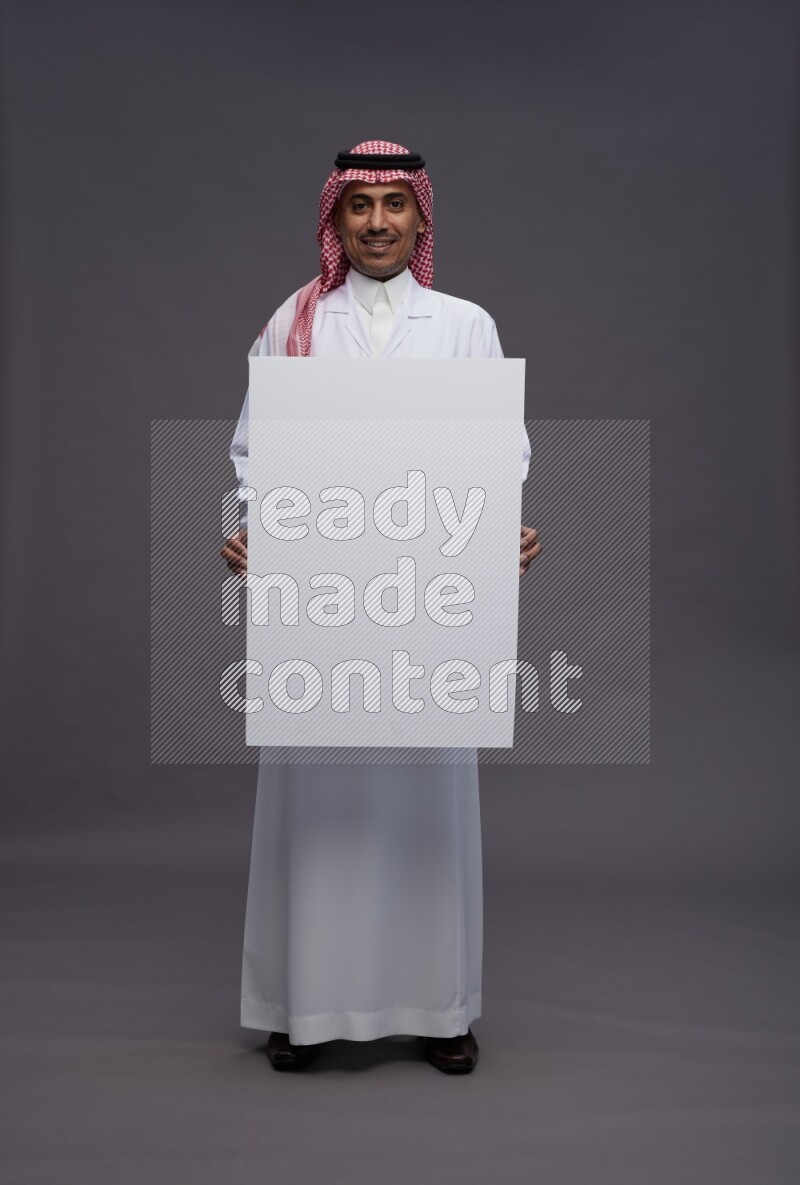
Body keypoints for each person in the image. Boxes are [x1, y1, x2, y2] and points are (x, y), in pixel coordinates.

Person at [221, 141, 541, 1074]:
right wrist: (245, 532)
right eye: (360, 207)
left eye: (394, 205)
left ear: (420, 217)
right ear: (337, 218)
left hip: (428, 606)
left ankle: (440, 1008)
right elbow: (254, 451)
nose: (376, 224)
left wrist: (499, 533)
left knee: (425, 803)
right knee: (314, 801)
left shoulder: (464, 324)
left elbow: (501, 452)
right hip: (319, 605)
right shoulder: (294, 322)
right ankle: (301, 1005)